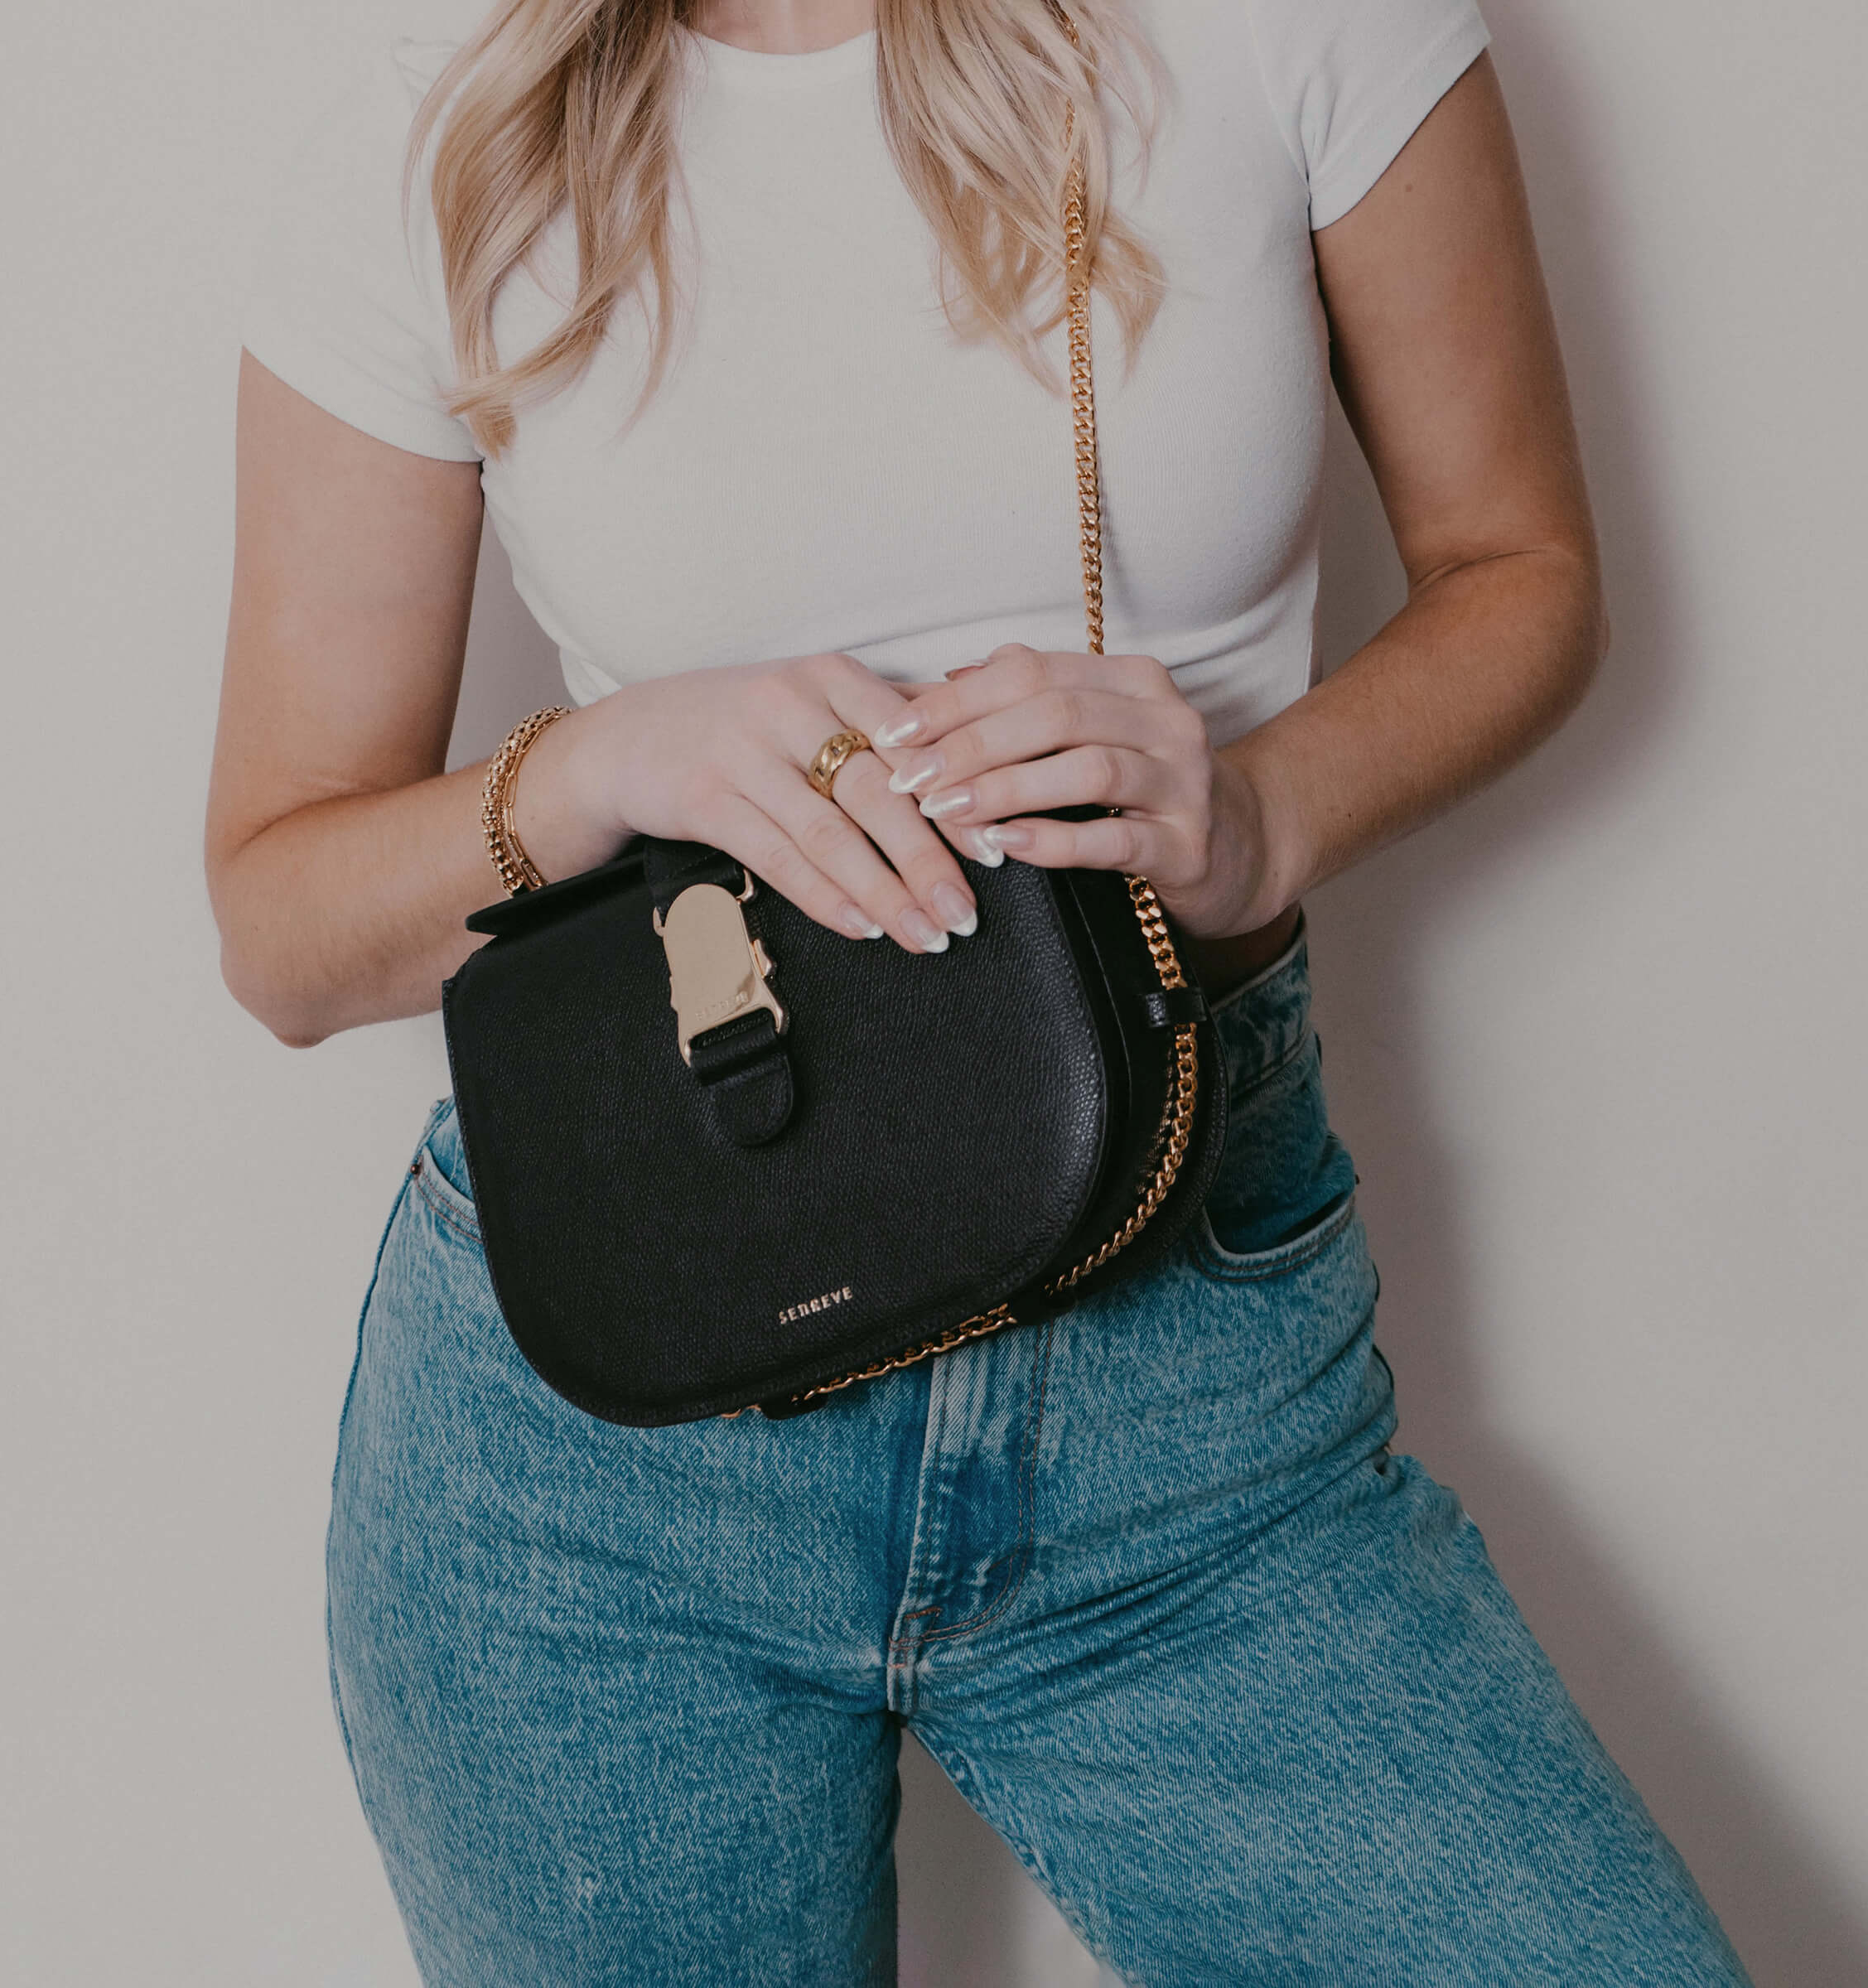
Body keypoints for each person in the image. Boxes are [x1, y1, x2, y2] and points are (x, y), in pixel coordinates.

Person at [207, 0, 1753, 1980]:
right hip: (601, 1471)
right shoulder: (447, 124)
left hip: (1190, 1389)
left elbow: (1520, 567)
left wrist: (1264, 813)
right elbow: (281, 925)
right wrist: (593, 772)